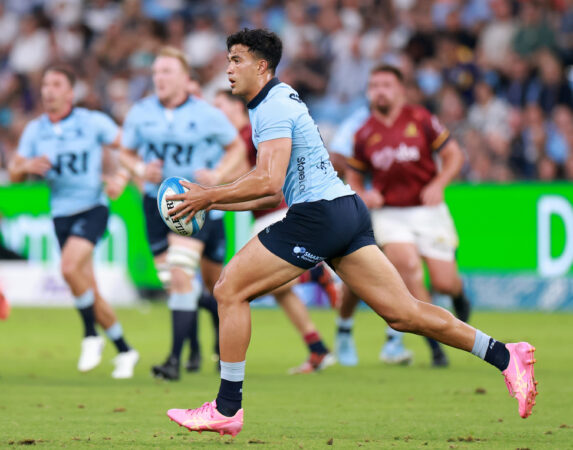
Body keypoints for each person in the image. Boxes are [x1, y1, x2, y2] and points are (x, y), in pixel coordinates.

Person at [166, 29, 537, 437]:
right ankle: (505, 354)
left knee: (228, 289)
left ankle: (226, 407)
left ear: (261, 66)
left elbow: (268, 184)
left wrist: (208, 195)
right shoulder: (273, 100)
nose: (228, 68)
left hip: (319, 215)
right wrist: (210, 201)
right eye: (227, 59)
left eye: (236, 59)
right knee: (404, 314)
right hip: (346, 209)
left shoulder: (271, 108)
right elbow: (266, 190)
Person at [119, 47, 247, 380]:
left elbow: (236, 148)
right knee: (177, 284)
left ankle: (174, 360)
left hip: (193, 201)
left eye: (167, 72)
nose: (159, 78)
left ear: (185, 78)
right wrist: (138, 168)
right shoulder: (141, 112)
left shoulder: (207, 114)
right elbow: (125, 152)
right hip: (154, 202)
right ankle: (199, 335)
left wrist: (218, 176)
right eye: (156, 72)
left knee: (180, 272)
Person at [336, 65, 472, 368]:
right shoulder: (364, 133)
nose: (379, 90)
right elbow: (354, 177)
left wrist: (438, 184)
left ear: (400, 90)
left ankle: (460, 297)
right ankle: (435, 344)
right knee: (408, 267)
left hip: (428, 210)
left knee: (445, 282)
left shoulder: (421, 119)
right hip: (390, 215)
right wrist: (364, 193)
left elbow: (454, 156)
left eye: (386, 84)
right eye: (374, 85)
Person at [9, 66, 139, 379]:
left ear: (70, 92)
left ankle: (89, 335)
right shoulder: (35, 130)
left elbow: (129, 147)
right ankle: (124, 349)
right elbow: (14, 173)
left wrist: (121, 176)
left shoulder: (91, 122)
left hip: (92, 207)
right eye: (44, 84)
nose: (48, 90)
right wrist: (26, 165)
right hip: (60, 215)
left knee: (68, 269)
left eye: (56, 84)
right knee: (88, 288)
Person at [214, 89, 337, 374]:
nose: (216, 114)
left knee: (247, 284)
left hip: (275, 213)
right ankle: (317, 348)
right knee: (279, 291)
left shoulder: (247, 134)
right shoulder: (244, 136)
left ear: (235, 107)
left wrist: (212, 188)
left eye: (220, 106)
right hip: (273, 213)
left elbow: (249, 176)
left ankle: (314, 273)